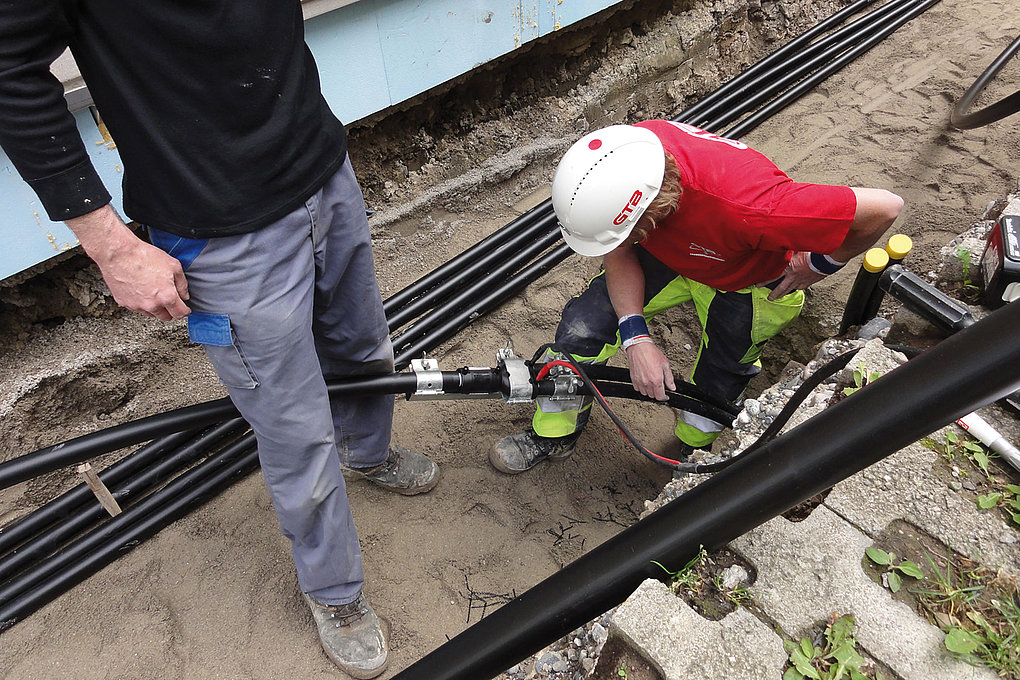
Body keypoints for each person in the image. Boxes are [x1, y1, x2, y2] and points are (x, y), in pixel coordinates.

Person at [0, 3, 439, 677]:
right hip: (217, 228)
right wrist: (111, 247)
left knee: (362, 348)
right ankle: (335, 592)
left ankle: (368, 452)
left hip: (320, 168)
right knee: (295, 428)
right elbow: (7, 66)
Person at [491, 121, 903, 474]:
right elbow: (618, 253)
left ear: (651, 207)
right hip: (673, 254)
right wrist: (636, 338)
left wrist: (821, 264)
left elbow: (885, 207)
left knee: (722, 375)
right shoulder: (623, 161)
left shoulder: (754, 205)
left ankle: (692, 449)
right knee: (581, 331)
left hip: (750, 279)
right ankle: (556, 434)